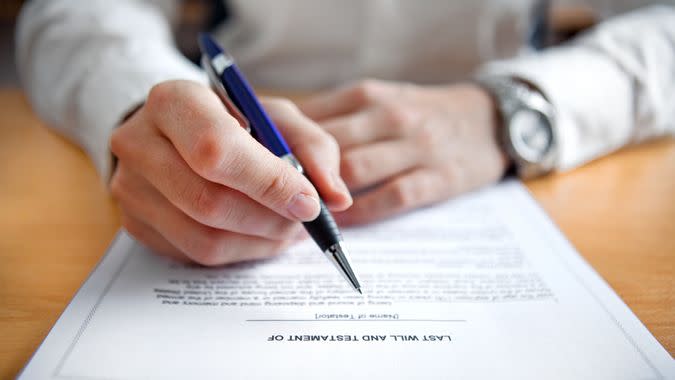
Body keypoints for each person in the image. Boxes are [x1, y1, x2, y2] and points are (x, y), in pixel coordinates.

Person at [16, 1, 675, 265]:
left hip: (505, 159)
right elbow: (74, 9)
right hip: (240, 130)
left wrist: (518, 110)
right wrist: (141, 103)